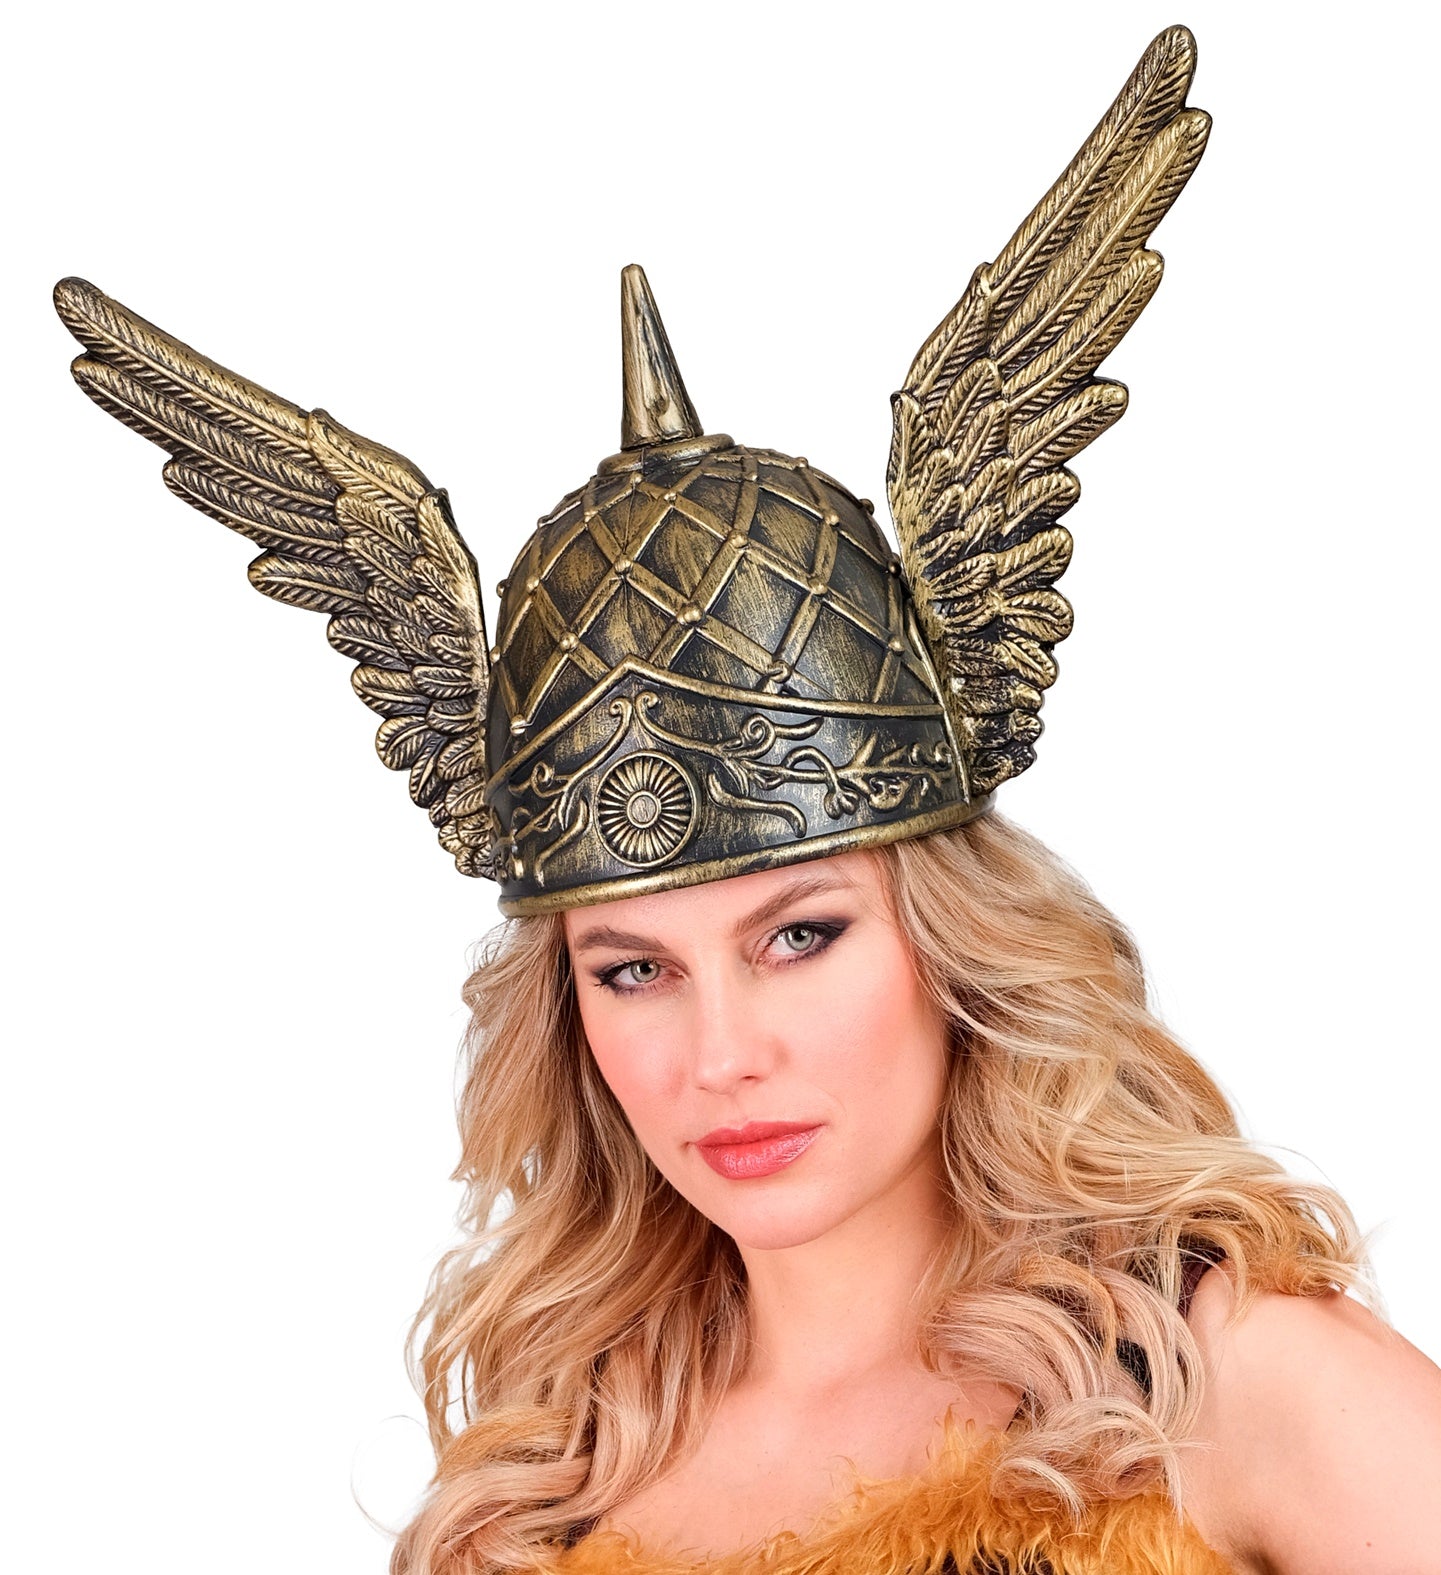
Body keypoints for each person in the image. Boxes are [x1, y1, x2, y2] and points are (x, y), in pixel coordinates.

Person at [53, 26, 1441, 1575]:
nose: (720, 1055)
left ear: (947, 941)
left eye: (798, 936)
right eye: (633, 970)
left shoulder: (1218, 1385)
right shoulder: (550, 1476)